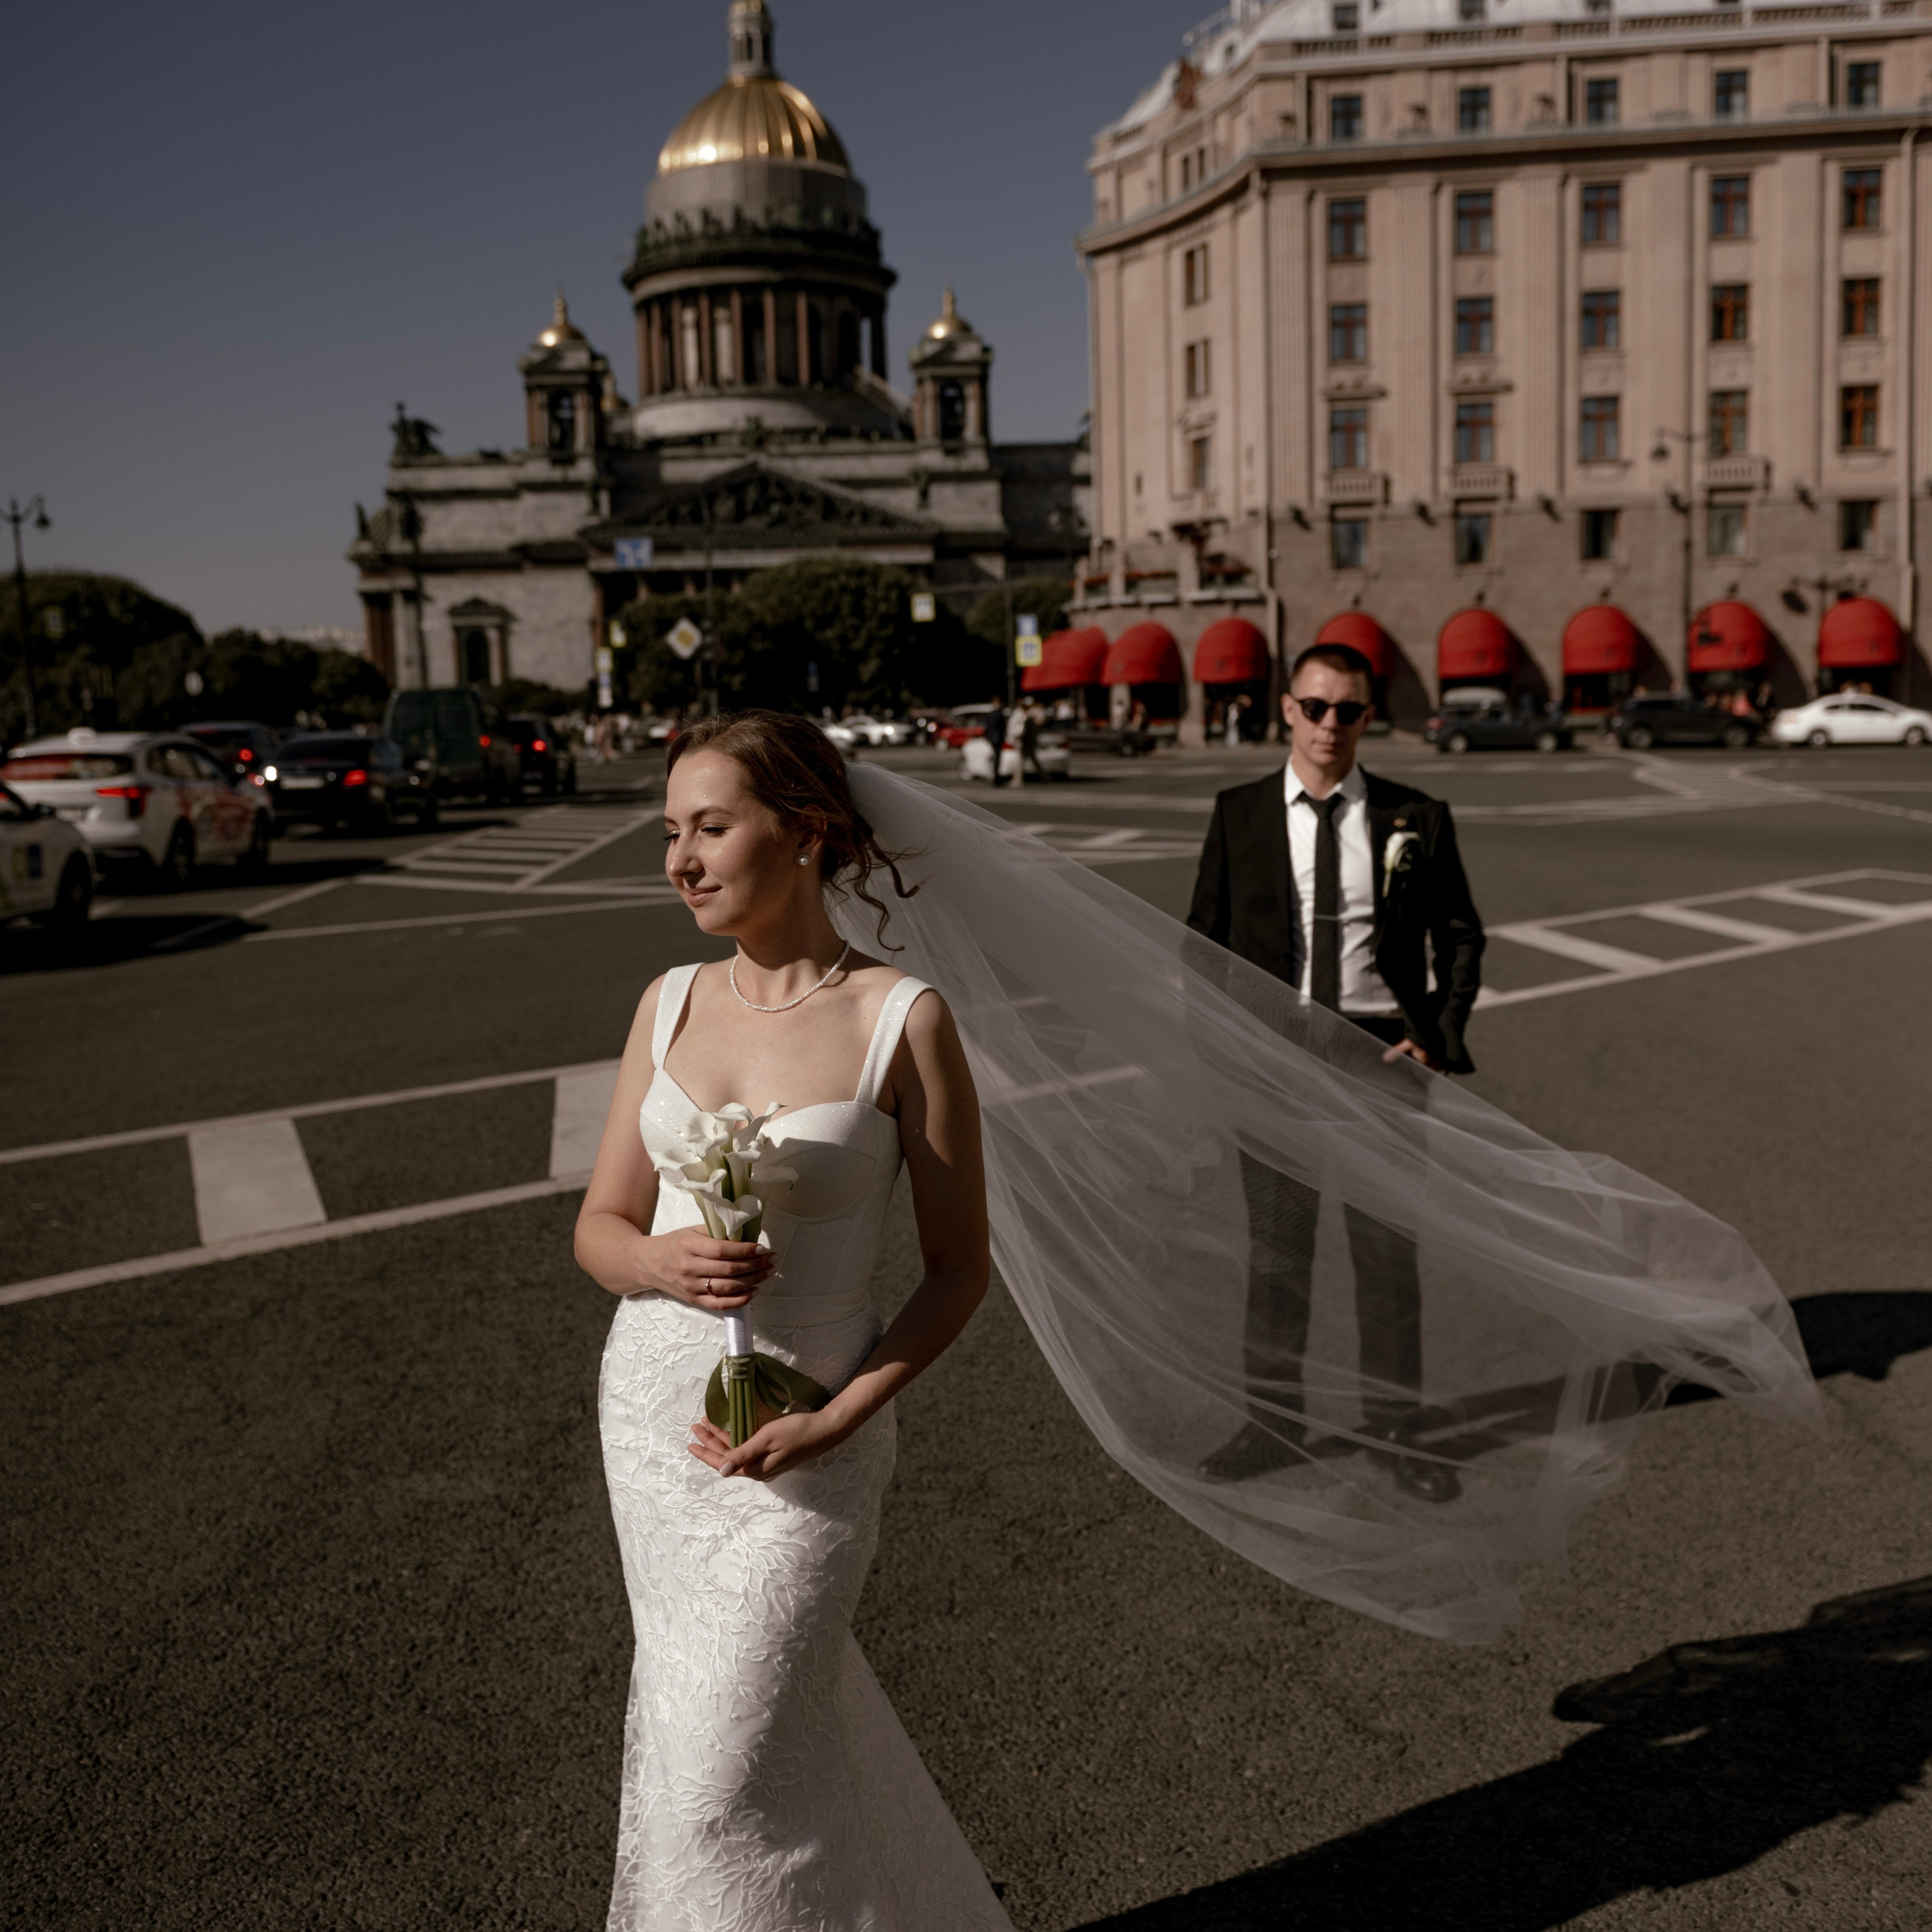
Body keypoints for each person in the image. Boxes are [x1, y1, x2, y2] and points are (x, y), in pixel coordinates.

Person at [575, 713, 1012, 1930]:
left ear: (807, 831)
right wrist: (659, 1258)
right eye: (670, 832)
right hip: (658, 1425)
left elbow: (957, 1269)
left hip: (813, 1441)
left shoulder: (901, 1020)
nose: (681, 857)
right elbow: (598, 1226)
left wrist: (847, 1414)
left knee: (723, 1772)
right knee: (708, 1748)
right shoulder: (664, 1004)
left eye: (712, 826)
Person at [1186, 642, 1484, 1500]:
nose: (1329, 726)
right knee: (1278, 1258)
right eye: (1315, 707)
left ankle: (1398, 1430)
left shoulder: (1413, 816)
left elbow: (1460, 934)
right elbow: (1199, 945)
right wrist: (1222, 1057)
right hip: (1270, 1064)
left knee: (1386, 1258)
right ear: (1286, 708)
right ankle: (1271, 1424)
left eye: (1347, 710)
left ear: (1366, 715)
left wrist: (1438, 1033)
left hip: (1380, 1060)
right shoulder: (1238, 812)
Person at [983, 697, 1010, 787]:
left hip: (992, 739)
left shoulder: (990, 715)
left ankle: (994, 776)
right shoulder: (1000, 714)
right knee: (997, 759)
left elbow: (987, 728)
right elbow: (1003, 727)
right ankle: (996, 777)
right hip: (998, 739)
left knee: (994, 758)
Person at [1018, 700, 1044, 783]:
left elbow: (1026, 733)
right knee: (1034, 761)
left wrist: (1020, 738)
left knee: (1022, 762)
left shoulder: (1028, 720)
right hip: (1030, 743)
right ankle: (1043, 777)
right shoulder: (1031, 720)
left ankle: (1019, 779)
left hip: (1027, 744)